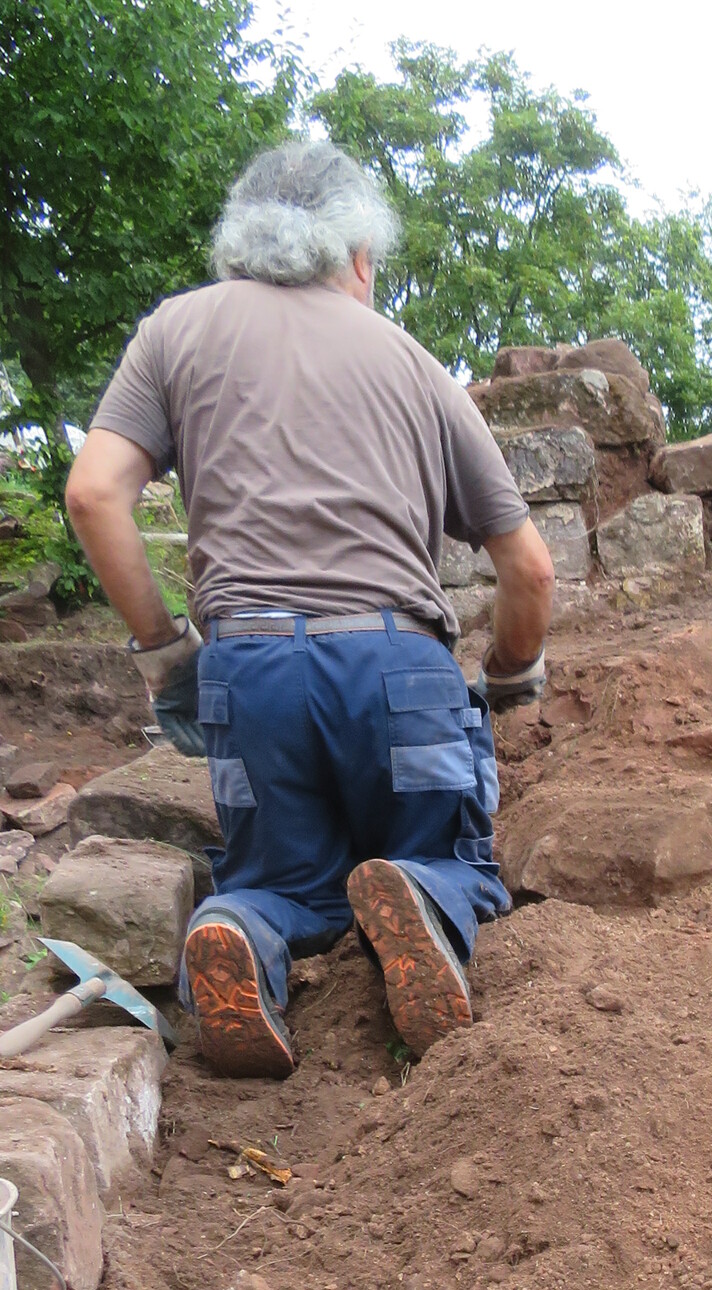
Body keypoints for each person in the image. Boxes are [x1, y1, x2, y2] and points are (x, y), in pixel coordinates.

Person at [64, 141, 556, 1078]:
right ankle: (423, 888)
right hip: (397, 669)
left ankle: (239, 927)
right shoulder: (414, 363)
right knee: (448, 854)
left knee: (281, 878)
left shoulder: (174, 332)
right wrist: (509, 681)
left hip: (249, 673)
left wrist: (167, 654)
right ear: (359, 254)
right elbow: (528, 568)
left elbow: (93, 496)